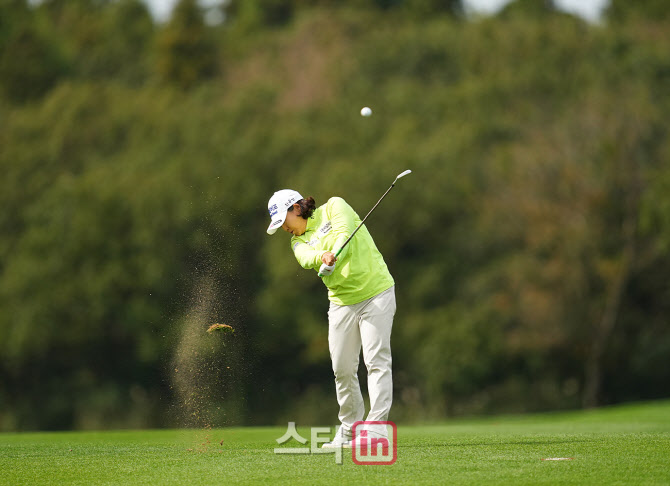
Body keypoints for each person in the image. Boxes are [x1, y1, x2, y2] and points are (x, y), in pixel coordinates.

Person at [266, 189, 396, 448]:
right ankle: (349, 430)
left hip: (376, 293)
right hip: (341, 303)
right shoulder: (296, 241)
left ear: (296, 208)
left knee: (376, 361)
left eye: (283, 221)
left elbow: (344, 235)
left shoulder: (335, 206)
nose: (284, 229)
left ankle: (377, 429)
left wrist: (333, 254)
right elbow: (305, 259)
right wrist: (321, 258)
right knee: (342, 369)